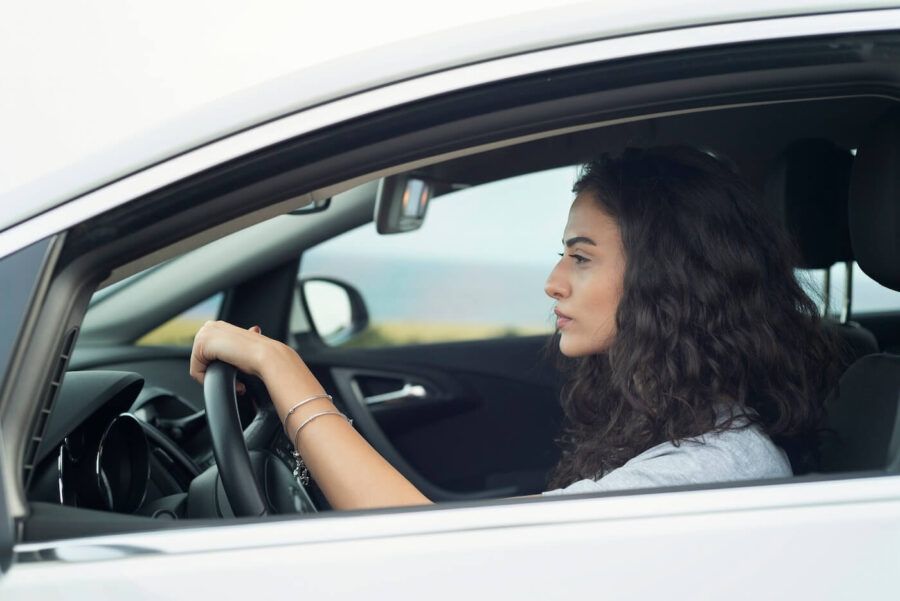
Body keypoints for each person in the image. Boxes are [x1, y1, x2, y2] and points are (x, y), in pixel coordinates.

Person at [189, 146, 842, 509]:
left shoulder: (703, 474)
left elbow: (444, 564)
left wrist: (284, 369)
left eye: (581, 257)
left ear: (668, 278)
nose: (553, 281)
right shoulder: (690, 426)